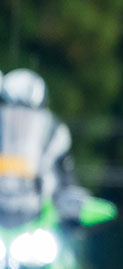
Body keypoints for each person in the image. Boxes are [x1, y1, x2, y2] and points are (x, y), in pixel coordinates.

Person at [0, 68, 77, 206]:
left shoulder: (54, 138)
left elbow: (66, 181)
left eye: (27, 113)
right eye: (12, 111)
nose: (19, 118)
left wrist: (71, 201)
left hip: (38, 216)